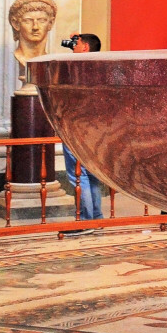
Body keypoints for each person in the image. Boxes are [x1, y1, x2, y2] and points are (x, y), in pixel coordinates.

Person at [63, 33, 104, 227]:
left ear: (86, 47)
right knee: (93, 173)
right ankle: (96, 218)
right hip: (96, 128)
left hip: (76, 126)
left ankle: (85, 221)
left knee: (78, 175)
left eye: (76, 44)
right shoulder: (100, 67)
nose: (73, 46)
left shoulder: (77, 68)